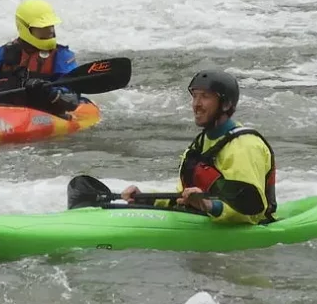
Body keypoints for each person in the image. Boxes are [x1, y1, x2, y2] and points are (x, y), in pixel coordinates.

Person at [105, 69, 276, 224]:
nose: (196, 104)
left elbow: (251, 211)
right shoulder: (200, 143)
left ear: (225, 104)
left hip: (244, 231)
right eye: (195, 96)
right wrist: (146, 198)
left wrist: (209, 206)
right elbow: (183, 196)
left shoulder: (244, 147)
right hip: (202, 219)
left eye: (205, 97)